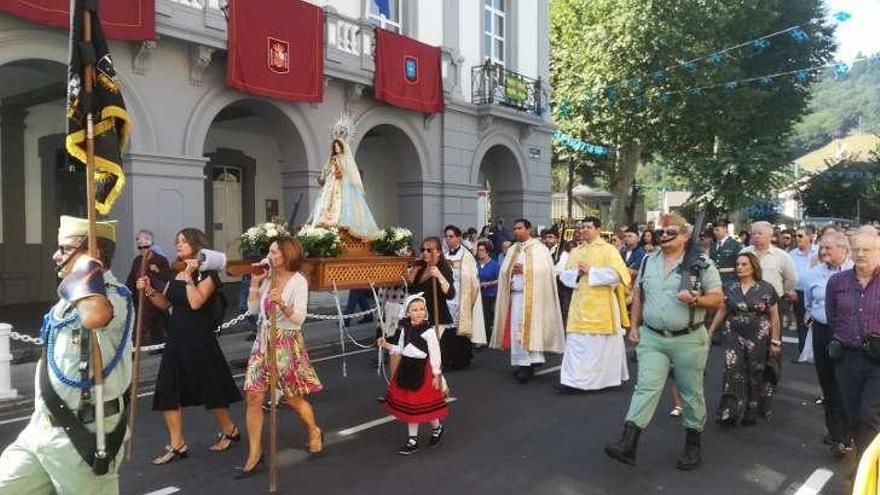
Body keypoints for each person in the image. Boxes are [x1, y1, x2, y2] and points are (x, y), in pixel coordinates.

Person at [0, 217, 132, 494]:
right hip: (41, 427)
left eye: (64, 248)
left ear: (93, 254)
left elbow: (95, 316)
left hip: (83, 434)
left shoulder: (114, 296)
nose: (55, 255)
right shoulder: (70, 297)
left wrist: (87, 269)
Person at [604, 213, 723, 470]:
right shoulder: (648, 261)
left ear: (685, 236)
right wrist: (634, 326)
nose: (664, 235)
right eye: (662, 231)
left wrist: (696, 300)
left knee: (691, 392)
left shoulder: (701, 263)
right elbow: (638, 295)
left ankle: (693, 445)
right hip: (653, 337)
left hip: (689, 339)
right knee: (645, 387)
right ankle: (628, 443)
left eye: (671, 232)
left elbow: (717, 299)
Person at [139, 228, 243, 465]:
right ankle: (177, 444)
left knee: (212, 388)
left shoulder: (208, 276)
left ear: (196, 246)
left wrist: (188, 276)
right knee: (167, 389)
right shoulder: (177, 272)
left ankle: (230, 429)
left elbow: (196, 303)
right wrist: (149, 290)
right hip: (176, 337)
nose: (179, 245)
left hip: (199, 339)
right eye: (177, 241)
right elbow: (165, 304)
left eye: (184, 242)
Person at [237, 238, 324, 477]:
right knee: (253, 396)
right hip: (263, 341)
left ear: (286, 255)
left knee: (292, 398)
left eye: (273, 252)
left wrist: (282, 304)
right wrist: (255, 284)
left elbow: (299, 319)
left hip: (286, 342)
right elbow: (254, 311)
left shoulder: (299, 282)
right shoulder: (267, 277)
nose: (269, 255)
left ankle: (314, 430)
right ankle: (255, 453)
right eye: (269, 251)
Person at [556, 216, 631, 394]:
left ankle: (598, 381)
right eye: (583, 227)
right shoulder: (576, 251)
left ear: (598, 229)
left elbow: (617, 275)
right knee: (576, 343)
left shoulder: (609, 250)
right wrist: (576, 273)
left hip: (601, 304)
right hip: (580, 303)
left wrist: (592, 272)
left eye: (589, 227)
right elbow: (564, 276)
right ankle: (572, 381)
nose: (584, 230)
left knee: (597, 346)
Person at [708, 253, 781, 427]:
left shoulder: (766, 288)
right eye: (738, 264)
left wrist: (775, 341)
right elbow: (722, 310)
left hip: (759, 334)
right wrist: (710, 330)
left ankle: (752, 409)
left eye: (744, 264)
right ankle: (729, 412)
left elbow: (774, 316)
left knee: (755, 372)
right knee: (732, 370)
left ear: (753, 267)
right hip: (734, 331)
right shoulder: (730, 287)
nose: (740, 267)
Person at [489, 218, 565, 384]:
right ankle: (523, 362)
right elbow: (503, 271)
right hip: (516, 296)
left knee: (530, 330)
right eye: (515, 228)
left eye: (520, 228)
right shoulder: (512, 249)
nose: (516, 231)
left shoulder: (539, 249)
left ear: (529, 230)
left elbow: (546, 271)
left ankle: (529, 364)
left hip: (533, 297)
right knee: (517, 331)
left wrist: (525, 270)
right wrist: (510, 271)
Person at [826, 231, 880, 466]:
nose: (861, 254)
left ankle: (867, 466)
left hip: (878, 361)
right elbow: (832, 317)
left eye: (867, 249)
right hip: (847, 359)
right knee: (853, 416)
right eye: (856, 249)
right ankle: (864, 458)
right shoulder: (837, 282)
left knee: (870, 414)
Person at [377, 294, 449, 455]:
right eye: (414, 310)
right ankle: (412, 440)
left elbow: (435, 354)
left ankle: (437, 427)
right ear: (408, 312)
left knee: (425, 404)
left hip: (423, 372)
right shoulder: (406, 330)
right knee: (411, 407)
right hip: (407, 370)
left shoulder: (429, 332)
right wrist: (387, 345)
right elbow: (401, 349)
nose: (419, 312)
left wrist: (437, 374)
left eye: (421, 309)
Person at [804, 230, 853, 456]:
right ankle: (835, 433)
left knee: (845, 383)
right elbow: (809, 302)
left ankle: (846, 432)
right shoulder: (813, 274)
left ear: (843, 250)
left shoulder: (856, 271)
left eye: (829, 248)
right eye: (821, 247)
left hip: (847, 334)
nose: (823, 251)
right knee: (827, 383)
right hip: (822, 331)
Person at [306, 127, 381, 240]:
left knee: (343, 204)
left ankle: (344, 227)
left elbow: (345, 173)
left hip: (341, 186)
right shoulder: (332, 159)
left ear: (342, 147)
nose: (336, 148)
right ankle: (326, 224)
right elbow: (326, 171)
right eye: (334, 146)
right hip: (330, 185)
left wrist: (339, 171)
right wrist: (323, 177)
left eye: (338, 146)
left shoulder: (345, 159)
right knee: (325, 204)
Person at [441, 225, 487, 369]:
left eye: (451, 236)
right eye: (446, 236)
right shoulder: (444, 256)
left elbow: (472, 278)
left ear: (459, 238)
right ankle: (446, 358)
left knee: (460, 330)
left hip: (461, 296)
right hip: (447, 297)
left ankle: (462, 359)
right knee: (447, 330)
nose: (448, 239)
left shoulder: (466, 256)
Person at [741, 221, 798, 333]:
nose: (756, 236)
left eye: (759, 233)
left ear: (770, 236)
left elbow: (792, 279)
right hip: (747, 302)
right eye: (753, 234)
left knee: (772, 336)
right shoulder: (744, 252)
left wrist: (779, 291)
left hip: (773, 303)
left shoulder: (781, 256)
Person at [126, 229, 172, 349]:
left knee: (158, 326)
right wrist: (127, 293)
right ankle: (135, 349)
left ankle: (160, 347)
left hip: (156, 298)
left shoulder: (160, 260)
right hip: (141, 300)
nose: (142, 249)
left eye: (145, 246)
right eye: (140, 246)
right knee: (141, 327)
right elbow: (132, 278)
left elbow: (167, 277)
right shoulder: (137, 260)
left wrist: (157, 270)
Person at [407, 237, 456, 334]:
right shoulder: (420, 268)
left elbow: (451, 294)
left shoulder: (443, 268)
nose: (425, 253)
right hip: (421, 316)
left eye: (429, 250)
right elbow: (412, 291)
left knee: (432, 348)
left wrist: (439, 276)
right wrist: (412, 275)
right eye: (423, 250)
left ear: (438, 252)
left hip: (437, 317)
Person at [789, 226, 817, 356]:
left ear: (810, 237)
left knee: (815, 322)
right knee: (802, 322)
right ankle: (803, 352)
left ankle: (815, 352)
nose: (797, 238)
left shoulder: (818, 252)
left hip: (816, 293)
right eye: (796, 236)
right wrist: (790, 290)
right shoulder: (792, 254)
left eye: (800, 236)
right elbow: (787, 274)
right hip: (799, 293)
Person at [543, 226, 572, 327]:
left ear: (557, 239)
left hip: (560, 290)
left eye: (550, 237)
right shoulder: (544, 252)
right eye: (546, 237)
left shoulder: (562, 254)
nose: (547, 240)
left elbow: (559, 271)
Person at [476, 240, 500, 343]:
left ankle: (486, 338)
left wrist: (487, 284)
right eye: (478, 250)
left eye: (482, 250)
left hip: (489, 294)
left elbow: (500, 279)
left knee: (486, 316)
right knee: (478, 316)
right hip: (477, 294)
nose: (479, 252)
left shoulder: (495, 265)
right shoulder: (476, 264)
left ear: (487, 252)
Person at [709, 219, 742, 288]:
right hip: (714, 281)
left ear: (725, 229)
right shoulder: (713, 246)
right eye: (714, 230)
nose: (714, 232)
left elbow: (739, 264)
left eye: (717, 230)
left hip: (730, 280)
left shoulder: (735, 245)